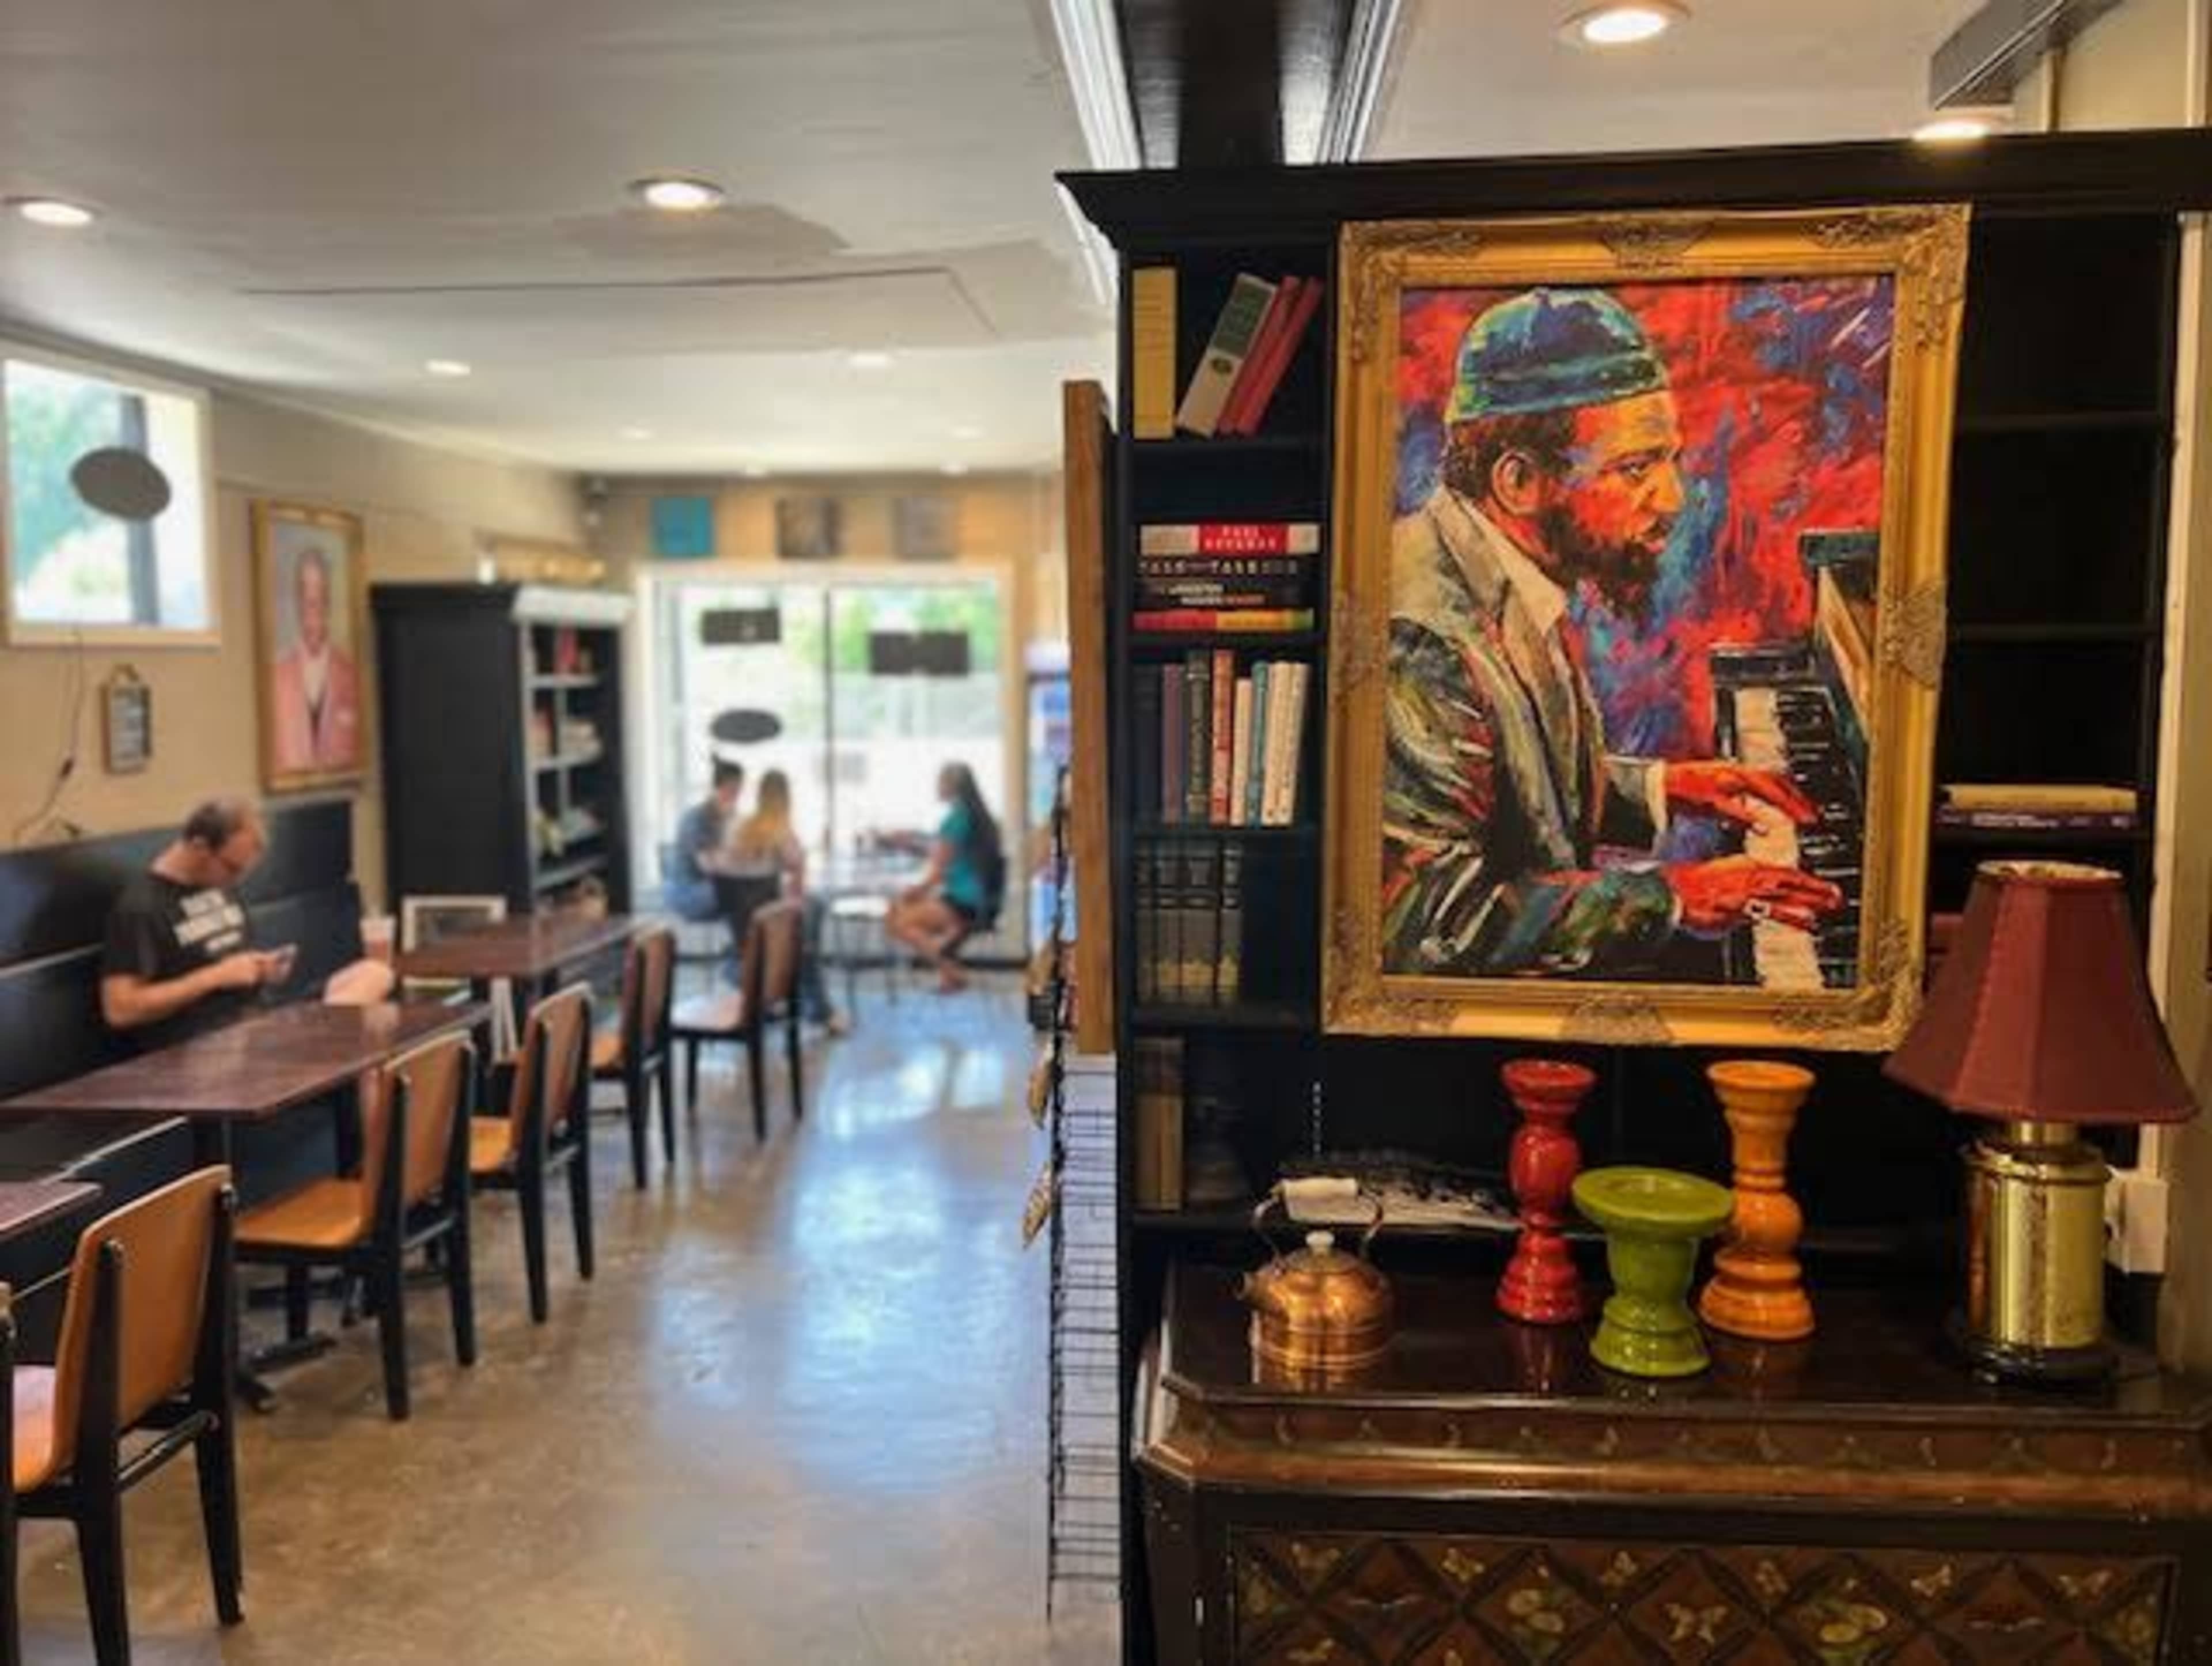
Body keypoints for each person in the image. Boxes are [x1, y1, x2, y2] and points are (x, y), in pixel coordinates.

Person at [1384, 287, 1843, 979]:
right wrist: (1672, 897)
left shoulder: (1505, 569)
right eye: (1635, 468)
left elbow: (1514, 788)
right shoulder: (1423, 640)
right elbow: (1426, 919)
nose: (1672, 500)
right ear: (1519, 480)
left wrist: (1669, 787)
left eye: (1670, 461)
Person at [101, 796, 394, 1050]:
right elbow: (120, 1009)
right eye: (231, 868)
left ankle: (323, 1040)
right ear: (199, 846)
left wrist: (260, 968)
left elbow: (231, 964)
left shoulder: (218, 883)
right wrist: (214, 977)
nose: (235, 881)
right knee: (360, 1040)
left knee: (375, 974)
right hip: (207, 1042)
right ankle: (323, 1042)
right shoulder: (141, 907)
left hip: (257, 1019)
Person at [733, 768, 847, 1035]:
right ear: (786, 797)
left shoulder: (745, 826)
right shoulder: (781, 829)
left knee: (810, 913)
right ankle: (817, 1007)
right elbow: (797, 877)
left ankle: (796, 993)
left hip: (745, 914)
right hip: (771, 916)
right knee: (811, 914)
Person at [884, 762, 1005, 993]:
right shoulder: (977, 816)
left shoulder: (955, 819)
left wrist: (914, 891)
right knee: (899, 911)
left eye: (940, 781)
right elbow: (947, 854)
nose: (936, 787)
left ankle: (951, 969)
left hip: (965, 904)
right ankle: (948, 962)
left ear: (951, 785)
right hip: (981, 902)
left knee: (897, 919)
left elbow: (938, 872)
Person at [268, 547, 362, 775]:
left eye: (319, 590)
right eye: (305, 591)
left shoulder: (350, 673)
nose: (312, 601)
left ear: (328, 599)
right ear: (297, 601)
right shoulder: (276, 675)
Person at [665, 758, 743, 922]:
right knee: (739, 892)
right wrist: (731, 829)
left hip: (711, 888)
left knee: (752, 893)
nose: (735, 797)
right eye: (732, 790)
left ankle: (743, 945)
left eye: (738, 791)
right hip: (688, 891)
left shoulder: (728, 817)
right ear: (717, 788)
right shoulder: (697, 818)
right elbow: (709, 866)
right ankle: (741, 945)